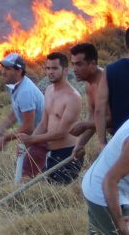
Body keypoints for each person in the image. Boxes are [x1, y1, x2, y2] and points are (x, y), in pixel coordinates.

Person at [18, 51, 84, 183]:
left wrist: (32, 138)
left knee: (54, 193)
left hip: (67, 155)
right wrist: (28, 144)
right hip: (48, 151)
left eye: (54, 68)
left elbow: (61, 133)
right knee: (28, 185)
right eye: (47, 68)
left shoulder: (73, 97)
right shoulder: (48, 90)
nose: (50, 72)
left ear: (65, 70)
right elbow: (44, 123)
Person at [0, 52, 46, 178]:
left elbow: (28, 127)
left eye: (7, 69)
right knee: (29, 172)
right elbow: (15, 112)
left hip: (42, 139)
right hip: (34, 137)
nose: (3, 72)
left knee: (25, 176)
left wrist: (5, 139)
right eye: (2, 68)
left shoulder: (25, 92)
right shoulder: (15, 85)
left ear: (19, 71)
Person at [67, 42, 109, 159]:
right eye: (73, 64)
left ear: (93, 64)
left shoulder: (107, 81)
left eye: (79, 64)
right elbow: (92, 118)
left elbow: (116, 118)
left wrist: (85, 125)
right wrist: (79, 145)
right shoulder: (88, 85)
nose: (74, 69)